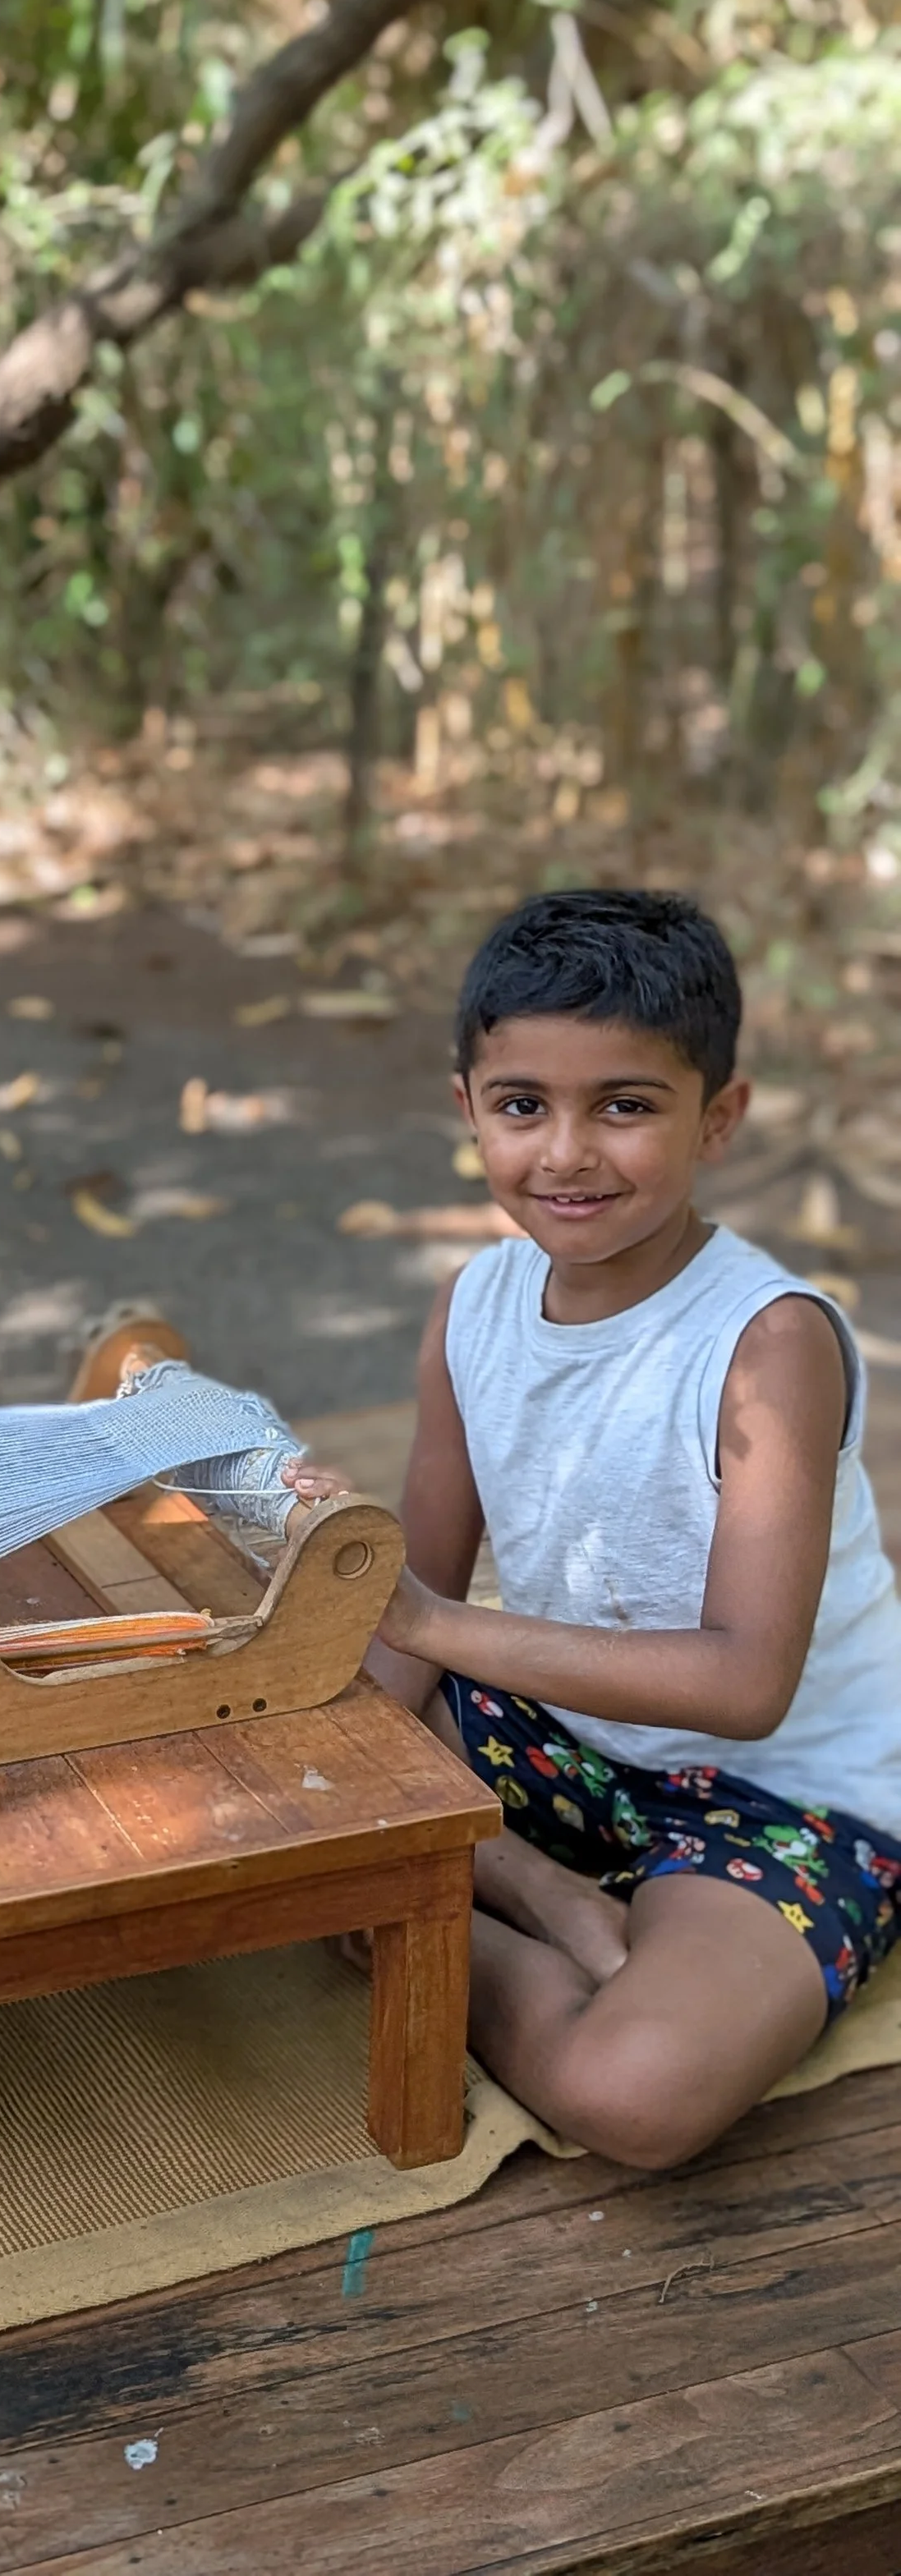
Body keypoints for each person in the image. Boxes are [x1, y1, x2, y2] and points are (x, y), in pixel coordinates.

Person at [368, 888, 901, 2168]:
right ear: (468, 1110)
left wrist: (436, 1634)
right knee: (268, 1750)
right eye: (521, 1107)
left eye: (625, 1105)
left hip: (786, 1790)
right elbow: (409, 1615)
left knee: (634, 2094)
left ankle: (408, 1930)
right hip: (564, 1744)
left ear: (718, 1117)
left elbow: (744, 1682)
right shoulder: (475, 1306)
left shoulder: (767, 1344)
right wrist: (347, 1769)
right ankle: (537, 1894)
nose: (566, 1153)